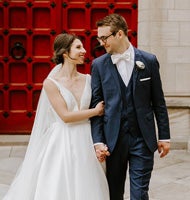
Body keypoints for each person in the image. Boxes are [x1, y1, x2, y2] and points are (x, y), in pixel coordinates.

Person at [3, 33, 109, 200]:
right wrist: (95, 111)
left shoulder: (89, 79)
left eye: (82, 47)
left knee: (87, 184)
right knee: (60, 184)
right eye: (78, 47)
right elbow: (65, 116)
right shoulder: (51, 83)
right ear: (65, 53)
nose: (84, 50)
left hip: (86, 139)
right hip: (62, 139)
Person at [90, 13, 171, 200]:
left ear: (119, 34)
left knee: (139, 193)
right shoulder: (99, 65)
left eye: (104, 38)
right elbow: (96, 106)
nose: (101, 43)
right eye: (99, 38)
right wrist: (98, 141)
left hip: (142, 139)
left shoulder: (148, 61)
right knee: (114, 193)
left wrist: (164, 136)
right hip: (113, 141)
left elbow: (158, 101)